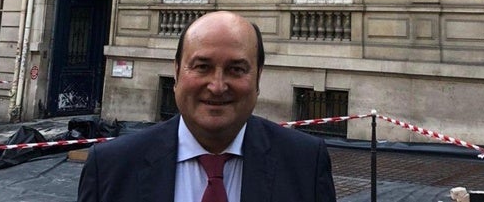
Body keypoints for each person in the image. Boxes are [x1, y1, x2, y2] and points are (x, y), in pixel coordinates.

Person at [77, 11, 336, 202]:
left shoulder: (305, 164)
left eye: (236, 69)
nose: (217, 85)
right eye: (202, 67)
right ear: (176, 71)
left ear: (258, 77)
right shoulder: (111, 168)